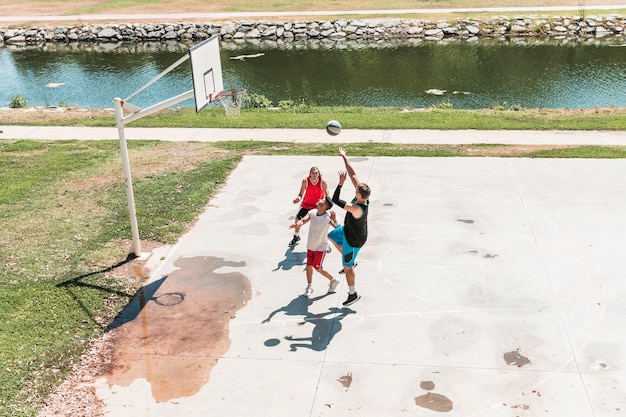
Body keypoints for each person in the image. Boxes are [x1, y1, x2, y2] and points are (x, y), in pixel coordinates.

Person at [328, 148, 371, 306]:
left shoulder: (357, 208)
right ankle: (351, 261)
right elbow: (353, 174)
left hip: (354, 240)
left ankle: (353, 294)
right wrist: (344, 157)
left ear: (359, 195)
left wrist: (340, 184)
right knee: (331, 236)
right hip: (347, 232)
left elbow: (335, 199)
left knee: (347, 267)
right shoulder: (362, 197)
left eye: (356, 190)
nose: (355, 189)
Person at [290, 196, 340, 298]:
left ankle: (333, 280)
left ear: (324, 206)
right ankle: (309, 287)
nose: (319, 200)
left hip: (321, 247)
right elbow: (303, 220)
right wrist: (297, 224)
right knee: (309, 265)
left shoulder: (327, 218)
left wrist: (335, 221)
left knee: (318, 267)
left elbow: (338, 229)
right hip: (311, 245)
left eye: (322, 200)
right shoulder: (312, 212)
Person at [289, 166, 330, 247]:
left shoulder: (322, 182)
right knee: (297, 220)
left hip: (318, 206)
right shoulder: (305, 181)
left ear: (319, 174)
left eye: (316, 173)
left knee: (322, 224)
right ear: (310, 174)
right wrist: (298, 198)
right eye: (313, 173)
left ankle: (325, 243)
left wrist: (325, 204)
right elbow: (300, 194)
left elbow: (327, 195)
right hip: (306, 205)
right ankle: (296, 236)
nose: (314, 175)